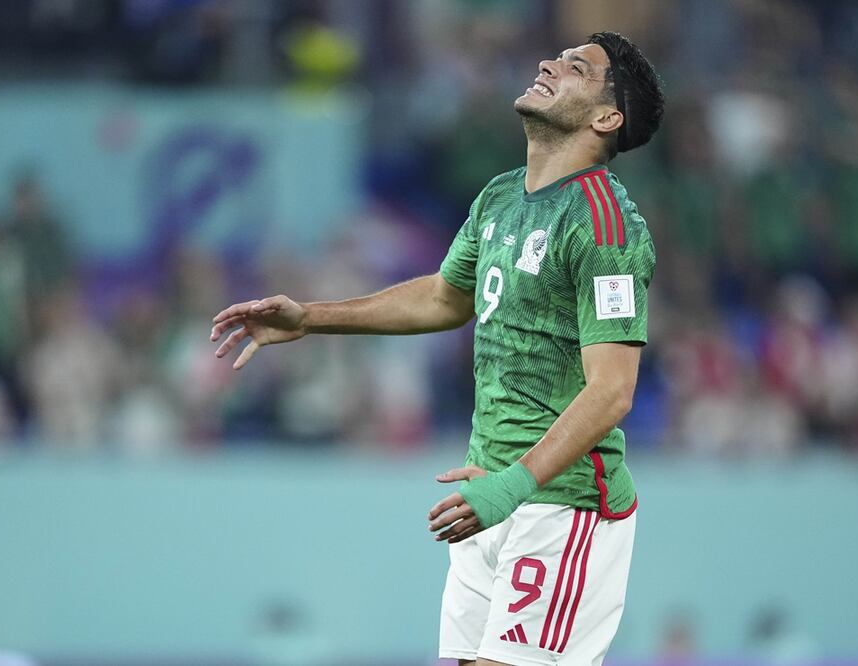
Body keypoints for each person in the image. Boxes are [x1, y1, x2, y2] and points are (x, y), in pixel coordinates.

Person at [210, 31, 664, 666]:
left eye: (577, 68)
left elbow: (612, 389)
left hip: (562, 506)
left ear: (606, 117)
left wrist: (515, 485)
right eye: (558, 57)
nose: (548, 64)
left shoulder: (605, 226)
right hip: (489, 492)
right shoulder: (502, 196)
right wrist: (310, 318)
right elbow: (446, 298)